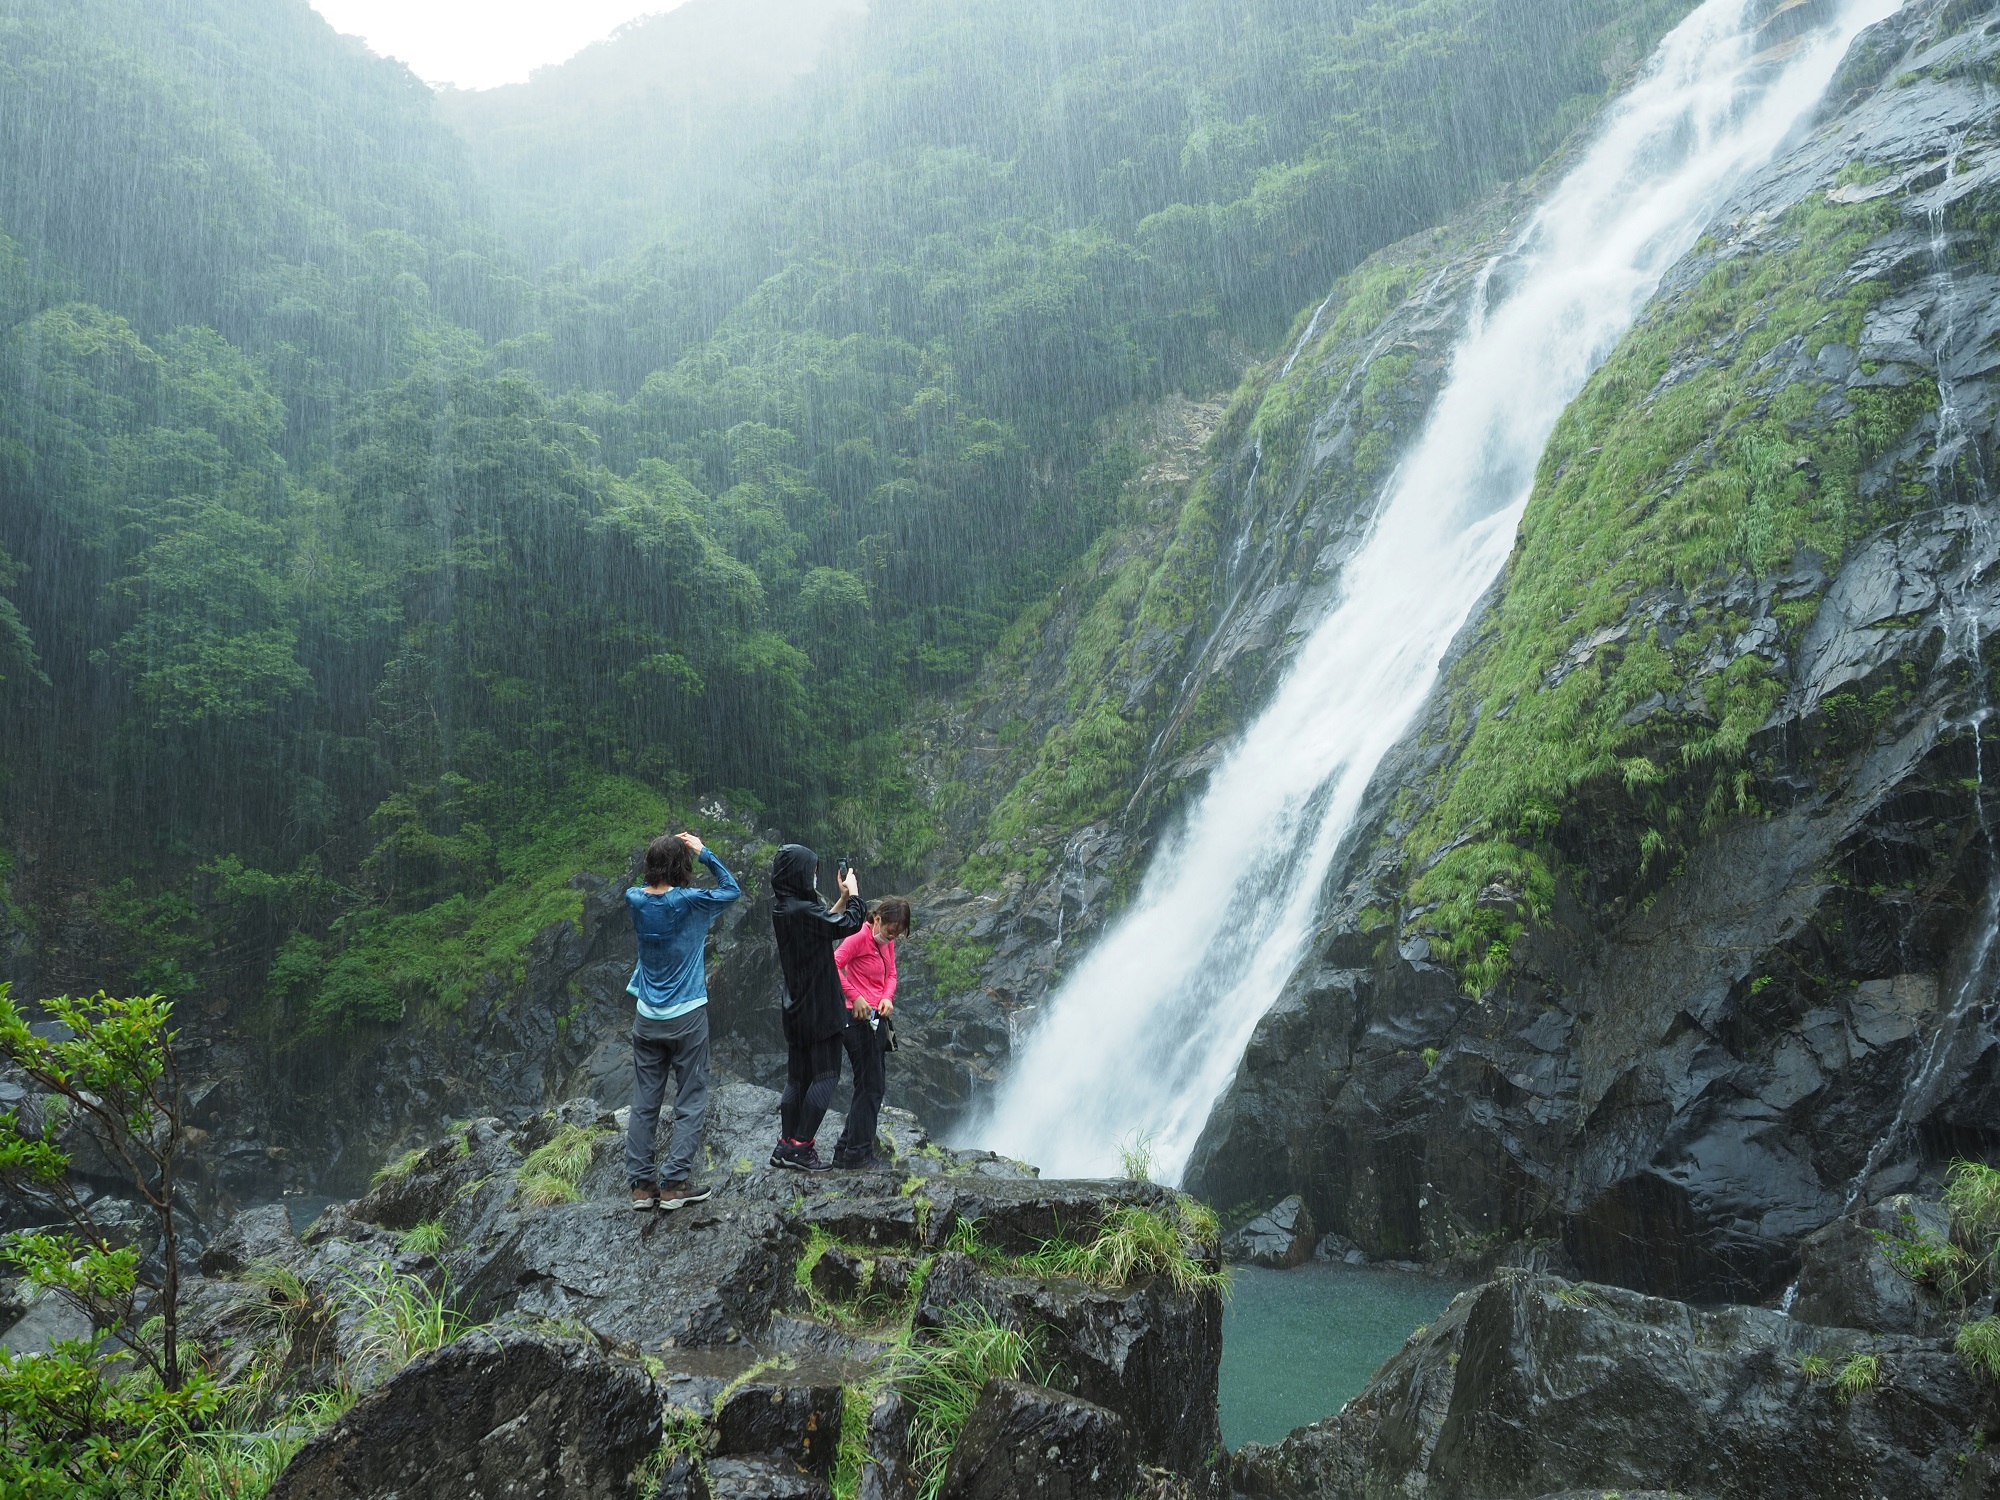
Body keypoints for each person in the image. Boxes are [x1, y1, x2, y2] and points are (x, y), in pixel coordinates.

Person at [623, 830, 740, 1211]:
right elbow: (731, 889)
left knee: (645, 1100)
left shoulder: (635, 899)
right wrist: (704, 852)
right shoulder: (691, 902)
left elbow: (648, 887)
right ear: (681, 866)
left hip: (647, 1017)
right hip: (687, 1015)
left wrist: (663, 856)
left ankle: (642, 1186)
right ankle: (674, 1184)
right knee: (689, 1096)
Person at [768, 844, 866, 1170]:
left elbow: (823, 925)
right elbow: (849, 924)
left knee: (796, 1079)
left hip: (795, 1008)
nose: (814, 876)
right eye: (811, 871)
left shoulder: (785, 908)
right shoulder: (803, 912)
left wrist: (838, 899)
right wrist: (854, 895)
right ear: (798, 874)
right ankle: (802, 1146)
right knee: (825, 1076)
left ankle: (785, 1144)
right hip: (821, 1009)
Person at [831, 897, 911, 1170]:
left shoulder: (886, 943)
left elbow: (892, 975)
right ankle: (858, 1155)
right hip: (856, 1019)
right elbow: (832, 964)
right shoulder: (857, 938)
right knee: (870, 1086)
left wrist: (887, 997)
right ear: (877, 919)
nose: (892, 937)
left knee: (868, 1085)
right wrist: (856, 997)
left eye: (897, 934)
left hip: (877, 1019)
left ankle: (845, 1150)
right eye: (890, 930)